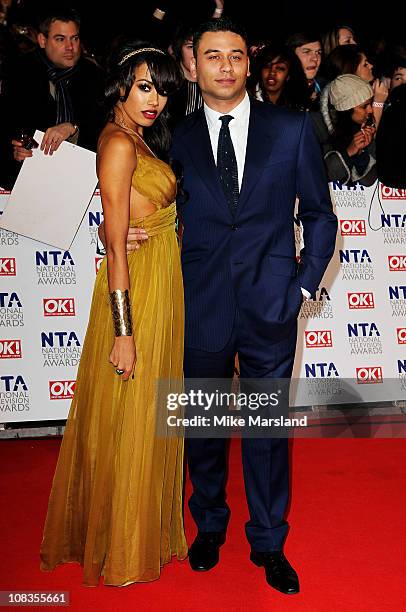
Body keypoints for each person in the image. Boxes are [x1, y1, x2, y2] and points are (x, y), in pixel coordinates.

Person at [170, 18, 336, 594]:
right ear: (193, 64)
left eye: (235, 55)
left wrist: (304, 285)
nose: (225, 65)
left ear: (249, 62)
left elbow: (319, 214)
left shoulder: (291, 128)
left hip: (272, 303)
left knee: (266, 431)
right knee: (206, 426)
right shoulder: (177, 135)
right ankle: (209, 525)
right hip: (202, 303)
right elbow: (159, 211)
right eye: (212, 55)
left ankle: (268, 541)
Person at [40, 41, 187, 586]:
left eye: (164, 89)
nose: (155, 99)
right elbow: (117, 247)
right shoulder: (120, 145)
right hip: (139, 289)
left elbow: (127, 220)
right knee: (132, 414)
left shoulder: (137, 138)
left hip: (161, 281)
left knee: (148, 413)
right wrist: (123, 331)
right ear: (122, 84)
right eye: (146, 86)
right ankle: (121, 541)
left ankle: (136, 528)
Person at [0, 7, 104, 188]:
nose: (70, 47)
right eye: (60, 39)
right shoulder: (19, 72)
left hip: (83, 179)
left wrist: (74, 128)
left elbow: (105, 128)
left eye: (75, 38)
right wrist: (15, 151)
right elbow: (8, 125)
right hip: (28, 181)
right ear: (42, 40)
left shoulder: (94, 76)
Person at [312, 74, 377, 186]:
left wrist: (363, 151)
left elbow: (368, 181)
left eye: (370, 104)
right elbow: (315, 175)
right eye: (364, 106)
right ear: (346, 108)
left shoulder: (363, 126)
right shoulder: (316, 125)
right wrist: (349, 152)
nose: (370, 110)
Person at [250, 43, 311, 110]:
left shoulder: (299, 107)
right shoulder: (245, 100)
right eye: (267, 66)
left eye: (280, 68)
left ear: (288, 75)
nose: (272, 72)